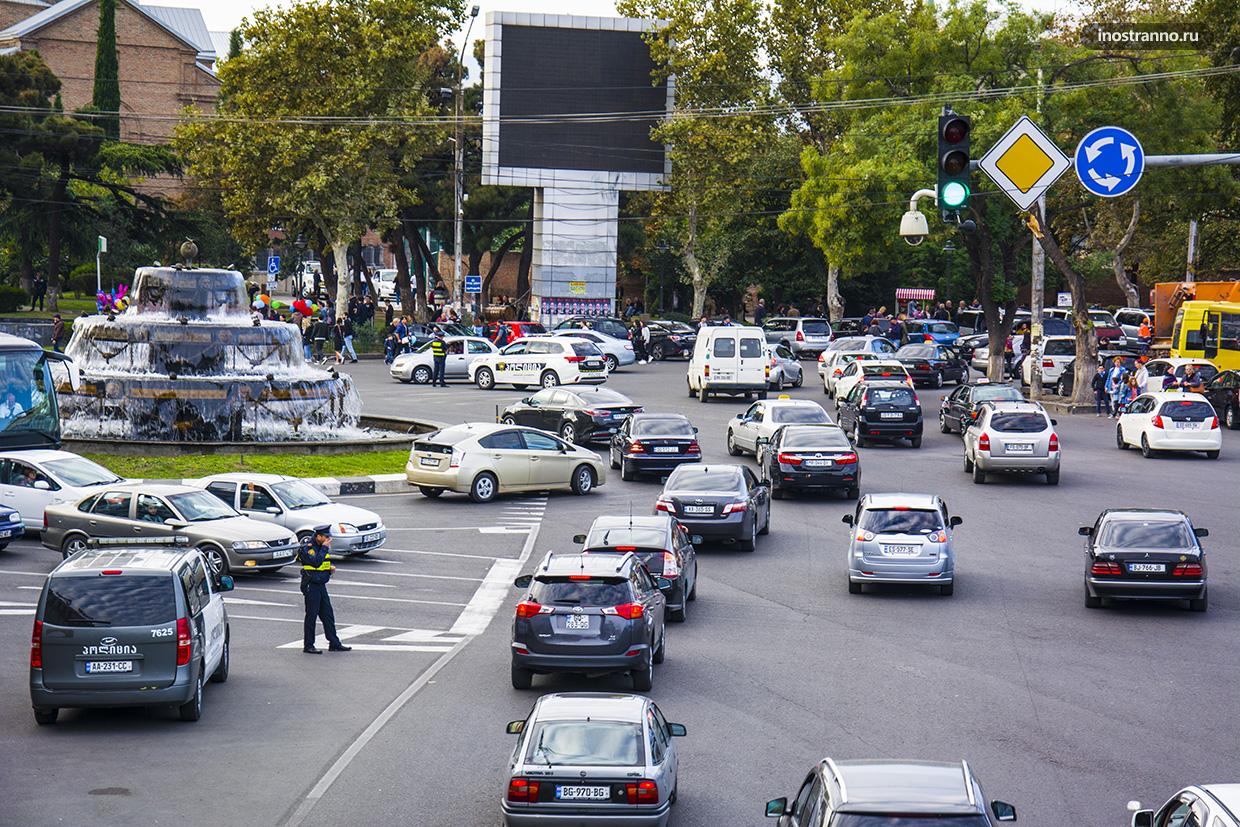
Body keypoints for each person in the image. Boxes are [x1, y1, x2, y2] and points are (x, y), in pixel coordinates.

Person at [297, 525, 351, 654]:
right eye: (326, 537)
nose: (328, 540)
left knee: (328, 615)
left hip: (321, 584)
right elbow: (315, 562)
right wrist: (325, 548)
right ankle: (308, 645)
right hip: (311, 585)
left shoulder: (321, 546)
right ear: (318, 536)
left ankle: (334, 643)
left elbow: (321, 564)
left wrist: (329, 568)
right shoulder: (308, 548)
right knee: (311, 616)